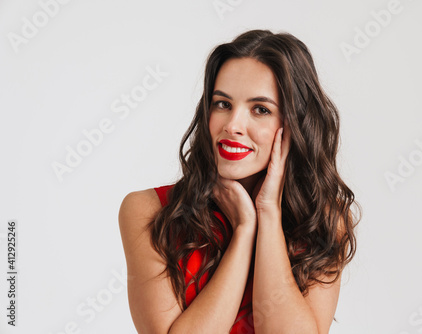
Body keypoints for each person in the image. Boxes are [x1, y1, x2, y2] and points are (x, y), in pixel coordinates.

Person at [119, 29, 360, 334]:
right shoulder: (148, 210)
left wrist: (268, 213)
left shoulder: (323, 219)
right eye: (223, 104)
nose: (233, 125)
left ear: (293, 124)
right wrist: (244, 233)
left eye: (260, 109)